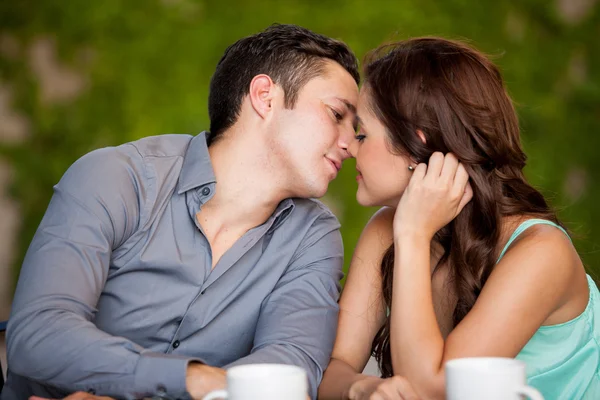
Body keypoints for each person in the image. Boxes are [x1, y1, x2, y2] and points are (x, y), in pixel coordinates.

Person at [2, 23, 360, 400]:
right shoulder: (118, 178)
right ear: (265, 97)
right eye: (338, 114)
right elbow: (38, 333)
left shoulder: (313, 235)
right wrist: (195, 380)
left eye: (356, 128)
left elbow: (289, 367)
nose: (351, 144)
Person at [318, 37, 599, 400]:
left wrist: (415, 235)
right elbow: (329, 368)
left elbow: (434, 390)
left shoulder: (542, 252)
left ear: (414, 146)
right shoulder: (385, 229)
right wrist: (362, 387)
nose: (350, 147)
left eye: (362, 134)